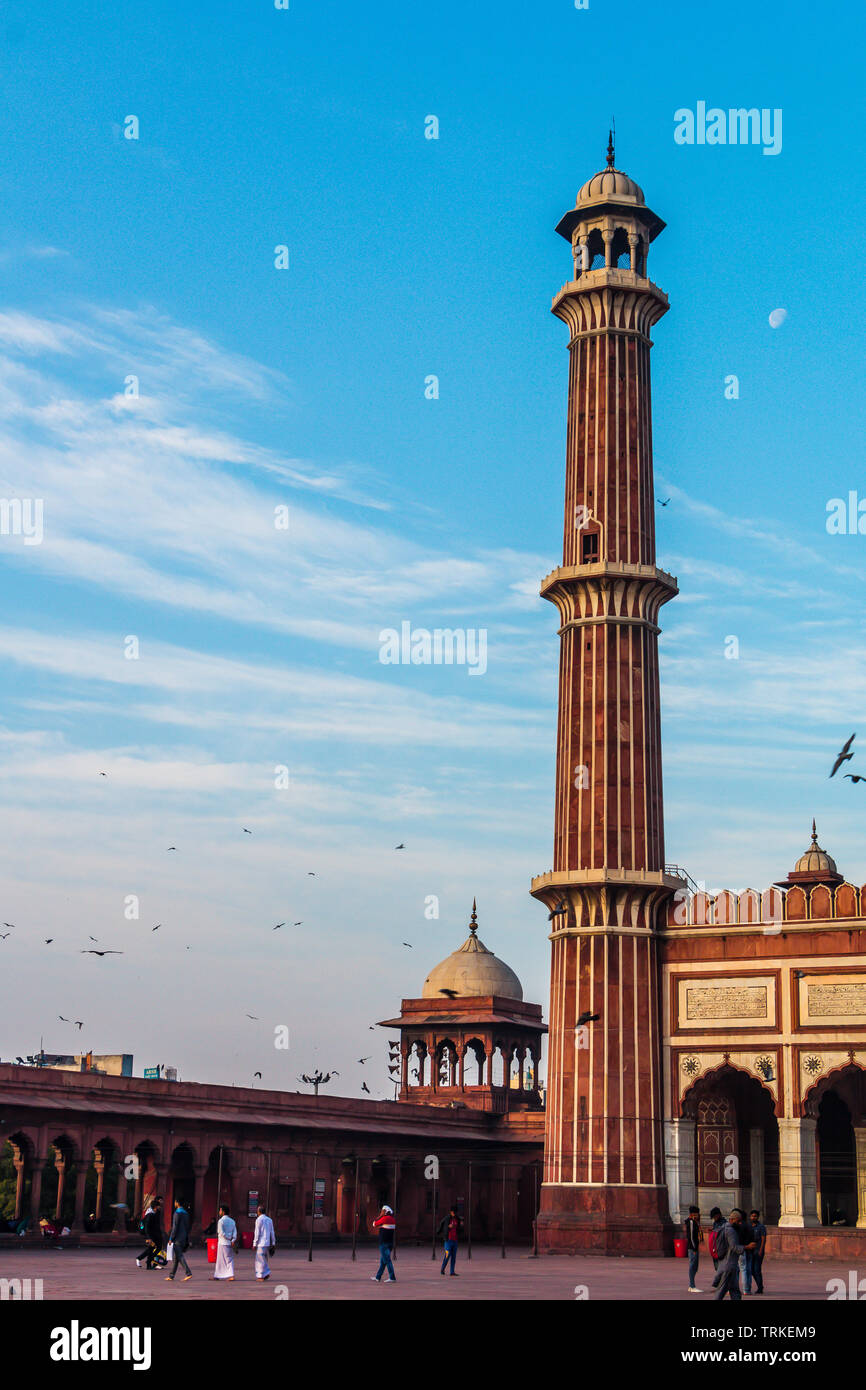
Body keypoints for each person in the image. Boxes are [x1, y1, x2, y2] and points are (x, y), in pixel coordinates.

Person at [714, 1209, 755, 1301]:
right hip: (729, 1265)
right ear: (732, 1220)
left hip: (730, 1264)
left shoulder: (725, 1227)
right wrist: (747, 1247)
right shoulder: (730, 1231)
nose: (740, 1223)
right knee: (721, 1291)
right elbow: (734, 1247)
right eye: (738, 1221)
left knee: (735, 1291)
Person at [165, 1199, 192, 1282]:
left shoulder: (177, 1213)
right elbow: (187, 1227)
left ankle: (188, 1273)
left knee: (179, 1256)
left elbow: (175, 1227)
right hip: (184, 1237)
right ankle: (171, 1275)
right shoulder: (186, 1213)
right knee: (176, 1258)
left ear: (177, 1203)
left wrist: (171, 1238)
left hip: (177, 1238)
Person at [371, 1204, 396, 1283]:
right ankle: (378, 1277)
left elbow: (374, 1224)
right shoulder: (392, 1219)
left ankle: (392, 1277)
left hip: (384, 1244)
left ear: (385, 1211)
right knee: (383, 1262)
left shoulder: (385, 1219)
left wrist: (379, 1216)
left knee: (387, 1260)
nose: (381, 1212)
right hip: (390, 1243)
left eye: (382, 1211)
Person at [437, 1206, 464, 1277]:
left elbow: (460, 1230)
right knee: (447, 1254)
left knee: (454, 1257)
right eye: (452, 1212)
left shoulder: (457, 1219)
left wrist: (461, 1225)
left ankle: (452, 1272)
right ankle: (442, 1269)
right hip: (448, 1241)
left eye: (455, 1212)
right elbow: (442, 1225)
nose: (454, 1213)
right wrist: (448, 1227)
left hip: (455, 1241)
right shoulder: (447, 1218)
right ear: (450, 1212)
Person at [213, 1203, 237, 1281]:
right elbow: (235, 1232)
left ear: (223, 1212)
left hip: (223, 1242)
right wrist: (232, 1240)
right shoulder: (232, 1221)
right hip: (229, 1243)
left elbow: (221, 1233)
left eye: (220, 1210)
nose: (219, 1212)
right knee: (228, 1259)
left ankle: (229, 1275)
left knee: (222, 1259)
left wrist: (228, 1238)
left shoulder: (221, 1221)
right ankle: (219, 1275)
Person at [253, 1204, 275, 1281]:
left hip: (261, 1243)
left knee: (259, 1260)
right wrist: (273, 1242)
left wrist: (254, 1243)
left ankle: (260, 1275)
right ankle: (266, 1273)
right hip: (267, 1242)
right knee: (264, 1258)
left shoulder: (258, 1220)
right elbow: (272, 1232)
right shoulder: (269, 1220)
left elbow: (257, 1233)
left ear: (259, 1212)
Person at [748, 1209, 767, 1294]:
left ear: (758, 1217)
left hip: (758, 1250)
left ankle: (760, 1287)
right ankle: (760, 1285)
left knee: (757, 1269)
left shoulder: (761, 1227)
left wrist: (761, 1250)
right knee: (752, 1270)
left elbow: (763, 1239)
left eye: (755, 1216)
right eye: (752, 1216)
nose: (753, 1217)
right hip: (751, 1250)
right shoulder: (749, 1226)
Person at [684, 1204, 702, 1292]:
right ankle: (692, 1285)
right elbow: (691, 1236)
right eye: (696, 1214)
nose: (698, 1216)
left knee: (695, 1266)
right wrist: (694, 1248)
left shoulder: (694, 1222)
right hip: (692, 1247)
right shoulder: (690, 1222)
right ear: (692, 1214)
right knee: (692, 1266)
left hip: (694, 1247)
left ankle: (692, 1285)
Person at [708, 1208, 726, 1288]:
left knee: (721, 1268)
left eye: (715, 1217)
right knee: (717, 1267)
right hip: (715, 1247)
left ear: (719, 1215)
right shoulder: (715, 1223)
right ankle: (720, 1284)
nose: (714, 1219)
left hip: (721, 1248)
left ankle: (721, 1285)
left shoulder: (724, 1223)